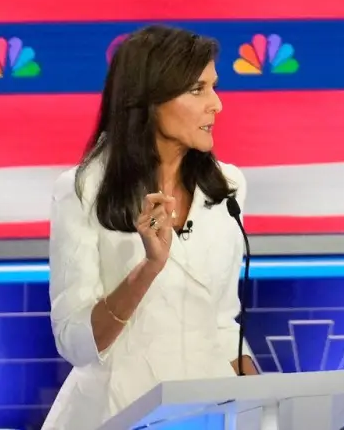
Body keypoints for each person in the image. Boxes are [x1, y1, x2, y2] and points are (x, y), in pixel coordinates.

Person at [43, 25, 257, 430]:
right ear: (148, 100)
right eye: (198, 89)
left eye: (214, 86)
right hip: (119, 411)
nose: (217, 104)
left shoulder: (227, 187)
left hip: (206, 410)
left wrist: (265, 408)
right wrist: (148, 268)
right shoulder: (82, 190)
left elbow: (222, 323)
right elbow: (76, 343)